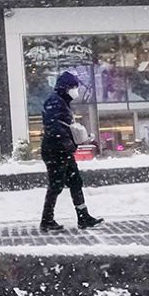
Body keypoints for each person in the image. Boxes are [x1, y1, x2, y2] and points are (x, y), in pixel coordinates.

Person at [38, 72, 102, 233]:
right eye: (73, 87)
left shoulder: (61, 102)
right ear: (65, 87)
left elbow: (59, 126)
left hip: (61, 150)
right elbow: (53, 127)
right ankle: (47, 220)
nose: (76, 91)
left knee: (75, 182)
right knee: (56, 185)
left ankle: (83, 216)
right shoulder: (55, 101)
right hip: (55, 150)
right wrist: (67, 141)